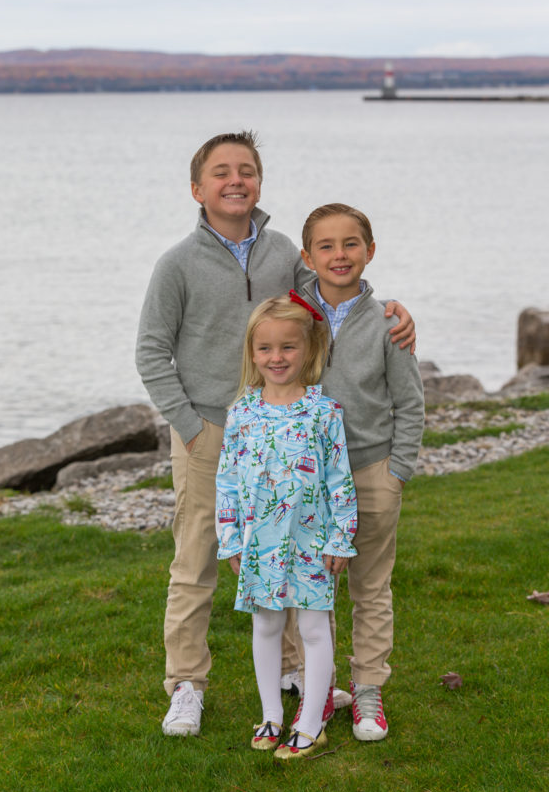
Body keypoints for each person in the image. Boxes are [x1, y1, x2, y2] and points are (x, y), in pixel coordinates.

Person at [135, 131, 415, 737]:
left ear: (259, 182)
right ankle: (186, 685)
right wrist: (188, 426)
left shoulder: (285, 251)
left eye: (246, 170)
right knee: (198, 563)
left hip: (292, 431)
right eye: (220, 172)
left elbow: (329, 294)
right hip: (211, 432)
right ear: (197, 188)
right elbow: (152, 353)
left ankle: (295, 670)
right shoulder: (176, 264)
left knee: (293, 545)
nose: (235, 180)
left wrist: (392, 309)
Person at [295, 202, 425, 742]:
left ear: (370, 251)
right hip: (306, 478)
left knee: (370, 587)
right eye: (325, 246)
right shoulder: (294, 315)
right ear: (307, 257)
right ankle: (318, 689)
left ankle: (368, 689)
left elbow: (410, 403)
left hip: (371, 470)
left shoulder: (388, 323)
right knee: (313, 588)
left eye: (351, 244)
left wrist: (398, 471)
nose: (339, 255)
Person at [216, 293, 358, 759]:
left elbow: (339, 479)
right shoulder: (242, 413)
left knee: (315, 629)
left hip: (312, 542)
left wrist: (341, 537)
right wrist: (231, 540)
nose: (276, 358)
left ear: (308, 350)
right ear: (252, 354)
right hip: (261, 543)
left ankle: (312, 721)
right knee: (267, 626)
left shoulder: (324, 412)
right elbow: (228, 483)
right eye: (265, 349)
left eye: (288, 347)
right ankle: (272, 715)